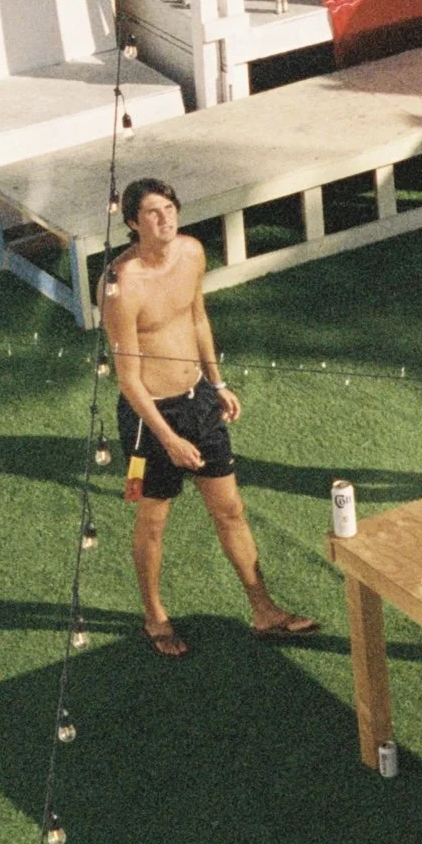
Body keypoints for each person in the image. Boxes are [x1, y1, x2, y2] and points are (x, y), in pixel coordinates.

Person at [101, 177, 318, 658]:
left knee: (231, 509)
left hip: (198, 401)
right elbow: (128, 380)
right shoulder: (121, 285)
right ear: (133, 223)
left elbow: (197, 317)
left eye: (170, 208)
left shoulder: (194, 253)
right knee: (152, 520)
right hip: (147, 421)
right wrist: (169, 440)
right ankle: (154, 617)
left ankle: (265, 611)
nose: (166, 218)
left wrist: (217, 384)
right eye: (154, 212)